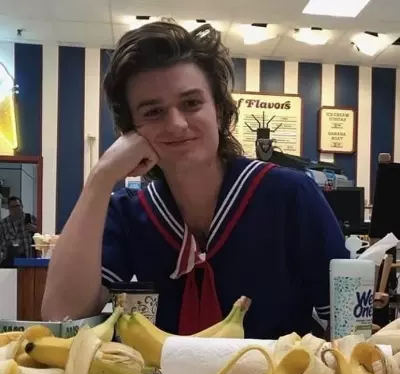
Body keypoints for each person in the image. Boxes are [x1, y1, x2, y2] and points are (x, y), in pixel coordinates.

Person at [42, 21, 348, 339]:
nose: (176, 124)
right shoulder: (131, 214)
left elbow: (348, 324)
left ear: (219, 111)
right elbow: (61, 314)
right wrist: (101, 177)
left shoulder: (290, 195)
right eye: (153, 112)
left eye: (191, 103)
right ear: (130, 131)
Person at [0, 196, 37, 266]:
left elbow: (44, 237)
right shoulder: (3, 224)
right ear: (9, 209)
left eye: (17, 206)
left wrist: (36, 229)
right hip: (10, 261)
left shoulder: (31, 219)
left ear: (22, 206)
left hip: (29, 259)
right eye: (12, 207)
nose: (15, 209)